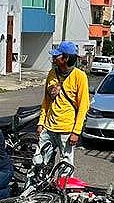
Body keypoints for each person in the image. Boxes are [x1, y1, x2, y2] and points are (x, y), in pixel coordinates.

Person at [35, 40, 90, 169]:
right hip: (48, 128)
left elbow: (83, 106)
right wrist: (41, 122)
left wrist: (76, 132)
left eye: (57, 56)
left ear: (65, 58)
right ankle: (36, 186)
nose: (53, 58)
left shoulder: (79, 76)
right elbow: (46, 101)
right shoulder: (52, 73)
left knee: (66, 165)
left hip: (66, 130)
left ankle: (63, 188)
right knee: (38, 162)